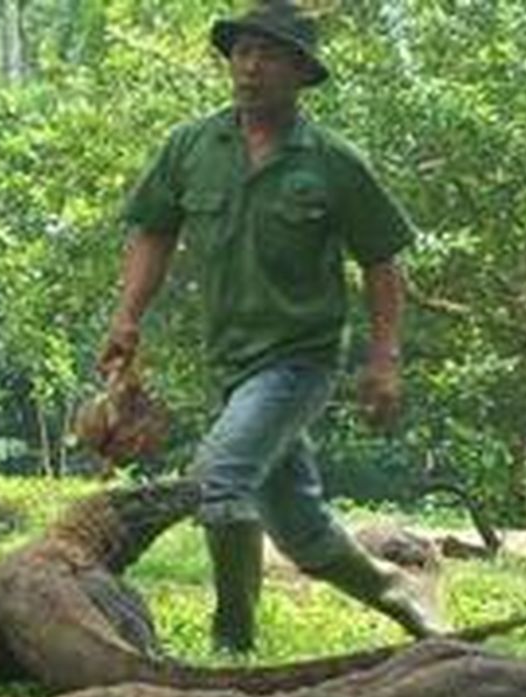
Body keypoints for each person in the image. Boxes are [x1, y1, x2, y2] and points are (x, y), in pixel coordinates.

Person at [98, 1, 445, 653]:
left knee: (218, 480)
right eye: (242, 52)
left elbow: (381, 260)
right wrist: (127, 318)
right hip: (231, 363)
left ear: (300, 72)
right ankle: (400, 593)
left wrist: (385, 358)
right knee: (300, 528)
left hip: (300, 359)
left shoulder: (333, 161)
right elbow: (154, 232)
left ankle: (233, 644)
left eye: (268, 55)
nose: (250, 67)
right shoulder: (192, 146)